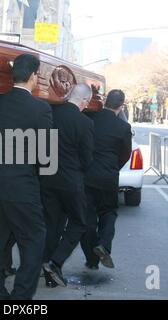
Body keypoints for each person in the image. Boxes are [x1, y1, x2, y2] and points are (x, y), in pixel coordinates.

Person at [0, 54, 53, 300]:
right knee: (33, 240)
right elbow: (46, 155)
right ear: (33, 76)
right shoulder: (41, 109)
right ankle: (20, 298)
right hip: (22, 186)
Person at [41, 84, 94, 287]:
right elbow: (87, 158)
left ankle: (48, 272)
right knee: (79, 222)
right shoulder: (85, 122)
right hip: (71, 180)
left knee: (52, 225)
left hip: (47, 178)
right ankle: (56, 262)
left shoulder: (50, 113)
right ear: (84, 101)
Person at [80, 89, 132, 269]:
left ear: (105, 101)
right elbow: (126, 154)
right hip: (108, 177)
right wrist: (113, 167)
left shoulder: (90, 119)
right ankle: (104, 245)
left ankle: (91, 260)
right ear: (121, 106)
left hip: (87, 176)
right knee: (109, 212)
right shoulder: (124, 127)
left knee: (88, 219)